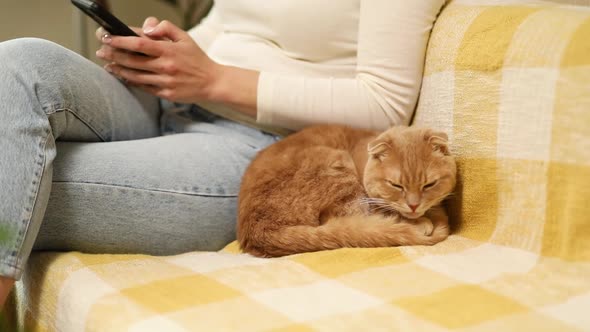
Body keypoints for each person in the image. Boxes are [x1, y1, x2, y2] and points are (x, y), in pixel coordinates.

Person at [0, 1, 445, 307]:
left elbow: (384, 103)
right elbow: (231, 25)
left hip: (267, 148)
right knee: (16, 63)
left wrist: (213, 80)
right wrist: (159, 51)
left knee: (19, 175)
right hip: (167, 99)